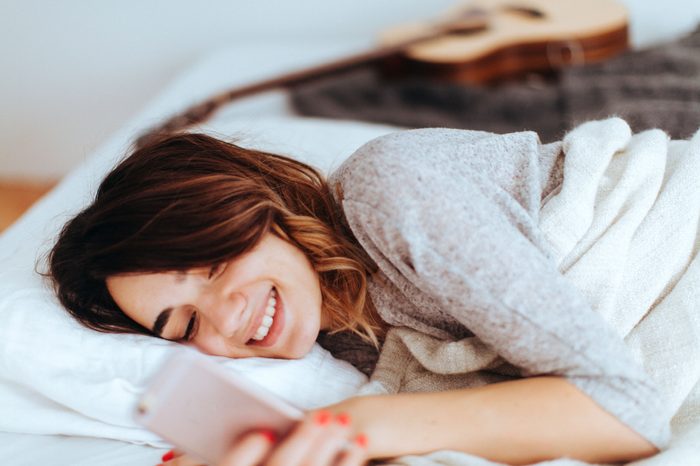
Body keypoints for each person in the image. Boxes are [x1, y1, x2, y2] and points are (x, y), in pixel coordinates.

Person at [47, 128, 670, 466]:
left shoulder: (386, 191)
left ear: (261, 206)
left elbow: (624, 414)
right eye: (182, 326)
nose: (225, 319)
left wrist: (352, 429)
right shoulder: (338, 336)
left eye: (212, 263)